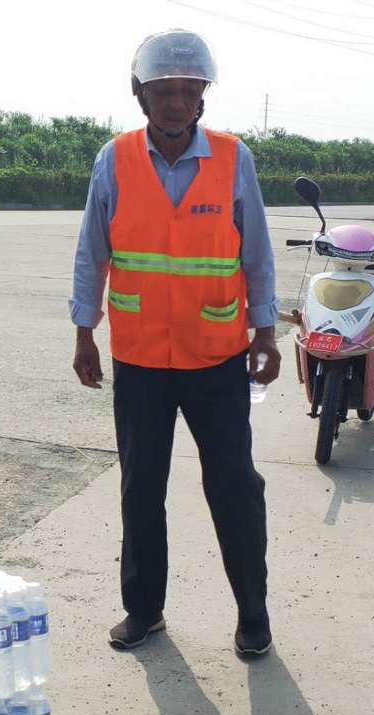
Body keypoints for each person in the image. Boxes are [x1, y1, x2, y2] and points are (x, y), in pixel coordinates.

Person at [70, 29, 281, 657]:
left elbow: (257, 253)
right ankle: (144, 610)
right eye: (165, 90)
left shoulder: (233, 158)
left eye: (190, 91)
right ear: (140, 92)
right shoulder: (114, 159)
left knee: (234, 485)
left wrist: (266, 332)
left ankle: (252, 613)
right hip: (139, 357)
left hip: (216, 354)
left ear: (203, 97)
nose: (177, 102)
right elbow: (92, 252)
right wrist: (84, 332)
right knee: (141, 487)